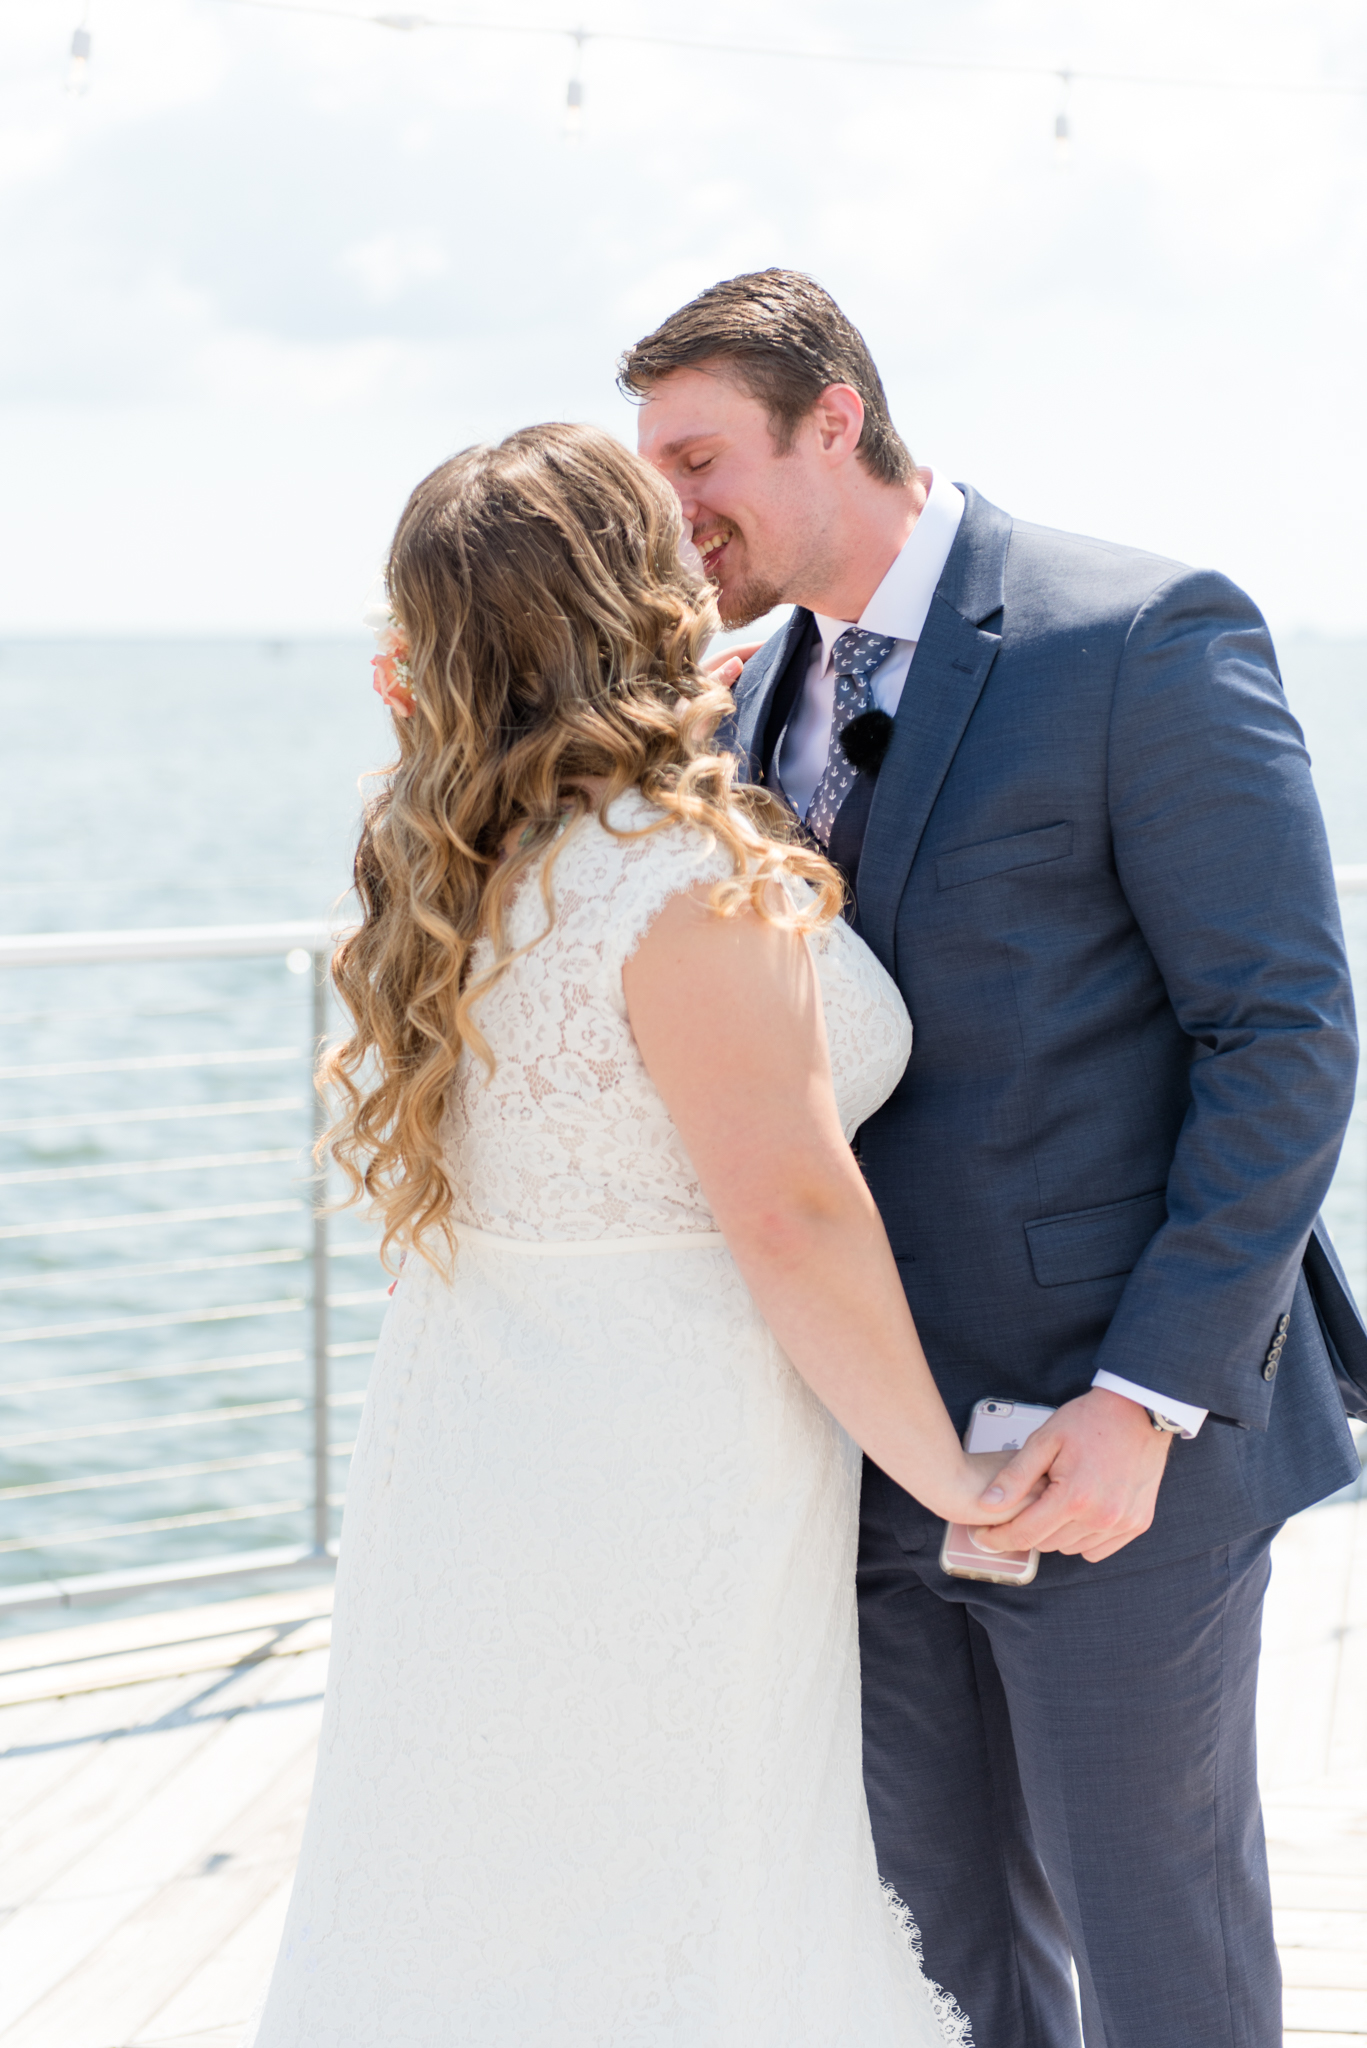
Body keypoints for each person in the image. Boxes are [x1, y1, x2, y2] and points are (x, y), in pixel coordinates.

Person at [624, 267, 1367, 2048]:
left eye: (703, 459)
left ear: (837, 419)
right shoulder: (736, 703)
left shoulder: (1137, 634)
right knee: (933, 1963)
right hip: (856, 1450)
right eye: (650, 474)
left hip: (1110, 1453)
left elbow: (1284, 1034)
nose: (675, 513)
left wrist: (1147, 1402)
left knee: (1158, 1959)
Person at [245, 422, 1034, 2046]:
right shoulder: (685, 882)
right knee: (670, 1877)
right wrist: (950, 1476)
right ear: (645, 596)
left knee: (487, 1869)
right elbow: (794, 1212)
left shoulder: (450, 853)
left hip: (475, 1432)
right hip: (665, 1461)